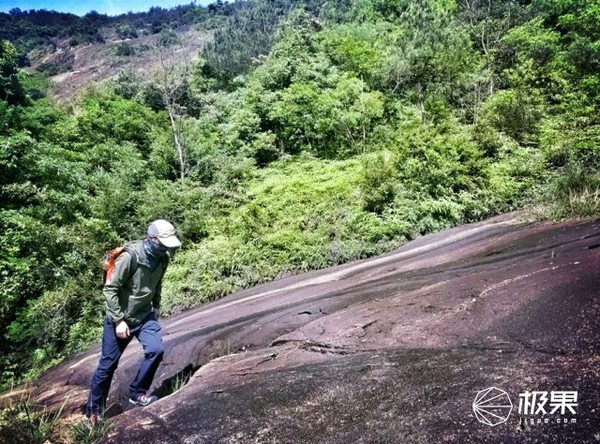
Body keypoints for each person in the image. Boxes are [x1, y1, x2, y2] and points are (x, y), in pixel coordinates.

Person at [85, 219, 182, 424]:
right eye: (163, 243)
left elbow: (158, 284)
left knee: (155, 350)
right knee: (108, 365)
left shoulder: (163, 258)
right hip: (120, 318)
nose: (166, 248)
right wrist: (119, 320)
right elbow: (110, 289)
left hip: (144, 315)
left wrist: (156, 306)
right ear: (152, 238)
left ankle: (137, 392)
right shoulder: (130, 256)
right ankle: (93, 412)